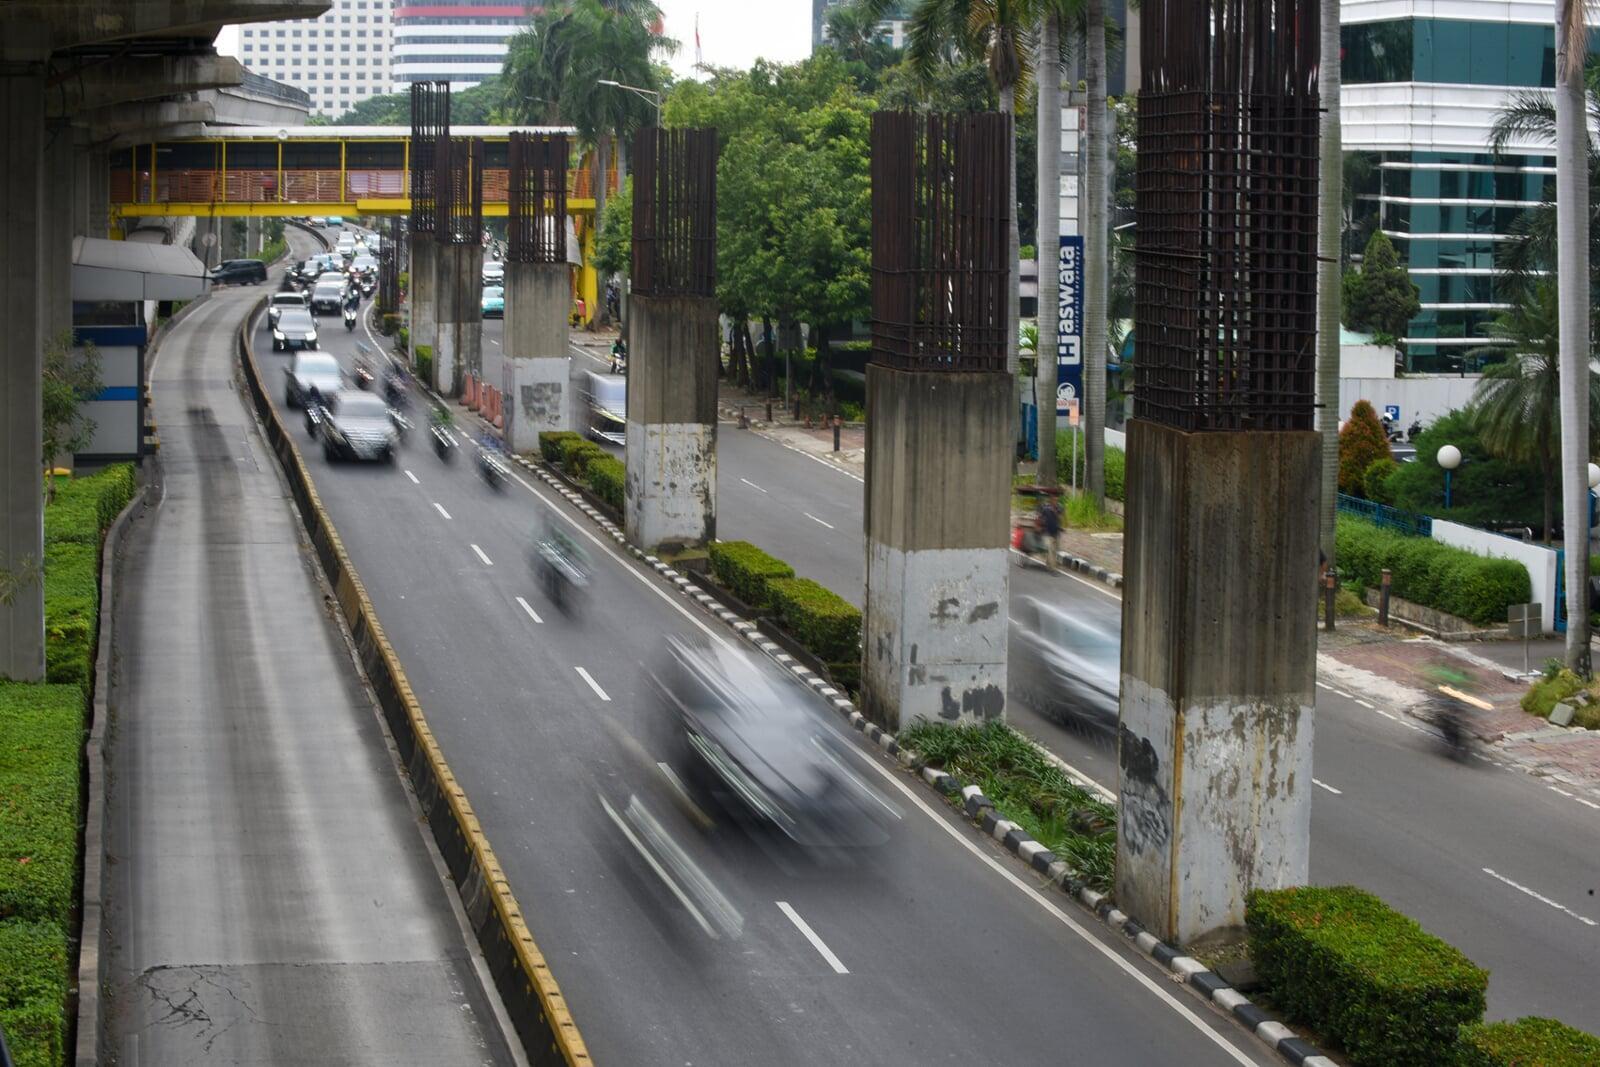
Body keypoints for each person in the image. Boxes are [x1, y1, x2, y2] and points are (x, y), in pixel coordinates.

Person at [1036, 493, 1062, 570]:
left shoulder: (1059, 509)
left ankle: (1049, 563)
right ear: (1051, 501)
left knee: (1055, 550)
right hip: (1047, 533)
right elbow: (1040, 518)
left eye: (1057, 500)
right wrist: (1038, 526)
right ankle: (1053, 568)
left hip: (1056, 533)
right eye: (1054, 500)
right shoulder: (1046, 509)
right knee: (1050, 549)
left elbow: (1061, 519)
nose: (1055, 502)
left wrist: (1061, 527)